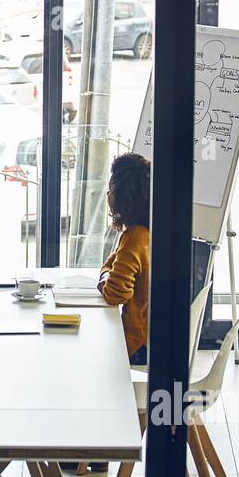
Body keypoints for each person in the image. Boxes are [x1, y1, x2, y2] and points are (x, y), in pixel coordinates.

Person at [99, 152, 151, 367]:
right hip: (151, 340)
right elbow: (111, 264)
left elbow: (114, 294)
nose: (108, 196)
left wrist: (104, 278)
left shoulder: (135, 238)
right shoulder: (147, 232)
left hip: (137, 344)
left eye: (110, 191)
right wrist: (107, 273)